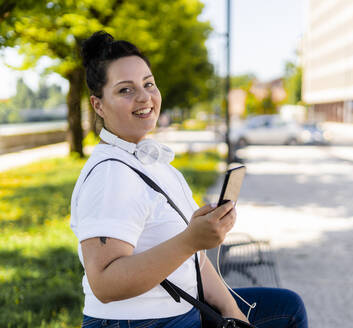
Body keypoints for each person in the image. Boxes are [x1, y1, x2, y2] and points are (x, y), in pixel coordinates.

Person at [70, 31, 308, 328]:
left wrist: (233, 312)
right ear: (98, 105)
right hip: (141, 322)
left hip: (186, 309)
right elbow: (104, 284)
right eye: (125, 90)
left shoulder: (153, 162)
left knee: (287, 309)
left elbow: (195, 260)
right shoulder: (110, 174)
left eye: (148, 84)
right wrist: (190, 240)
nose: (144, 97)